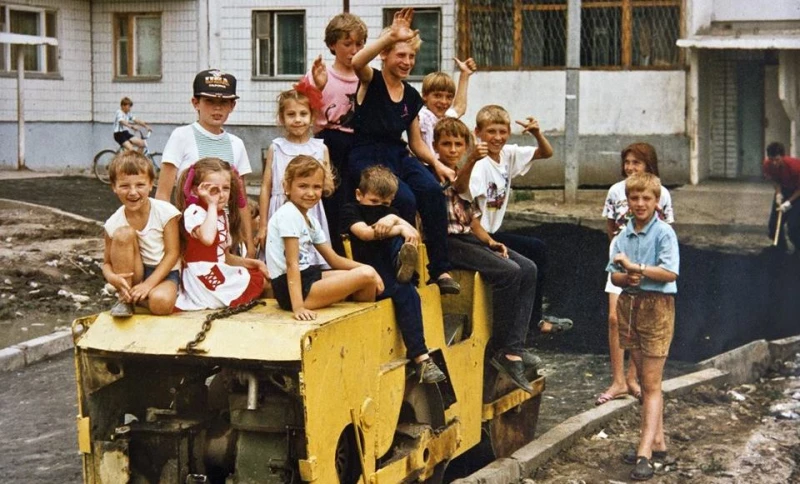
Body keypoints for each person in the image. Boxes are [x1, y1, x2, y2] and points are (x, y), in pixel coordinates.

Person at [348, 7, 460, 295]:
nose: (407, 62)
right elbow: (357, 61)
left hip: (397, 153)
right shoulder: (371, 80)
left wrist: (437, 165)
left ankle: (440, 270)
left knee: (432, 191)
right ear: (385, 55)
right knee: (405, 199)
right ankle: (405, 268)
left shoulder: (411, 95)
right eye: (401, 55)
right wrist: (390, 37)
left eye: (411, 56)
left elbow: (416, 142)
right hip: (367, 154)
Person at [433, 117, 540, 393]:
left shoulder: (462, 169)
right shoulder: (431, 172)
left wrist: (491, 242)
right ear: (435, 146)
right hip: (446, 242)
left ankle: (514, 349)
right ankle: (500, 347)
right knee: (509, 272)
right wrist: (470, 160)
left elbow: (472, 219)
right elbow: (457, 188)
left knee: (528, 268)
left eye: (458, 144)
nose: (453, 149)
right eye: (446, 144)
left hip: (467, 236)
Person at [465, 104, 572, 336]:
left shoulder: (507, 154)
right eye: (491, 131)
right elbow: (467, 209)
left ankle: (533, 319)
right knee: (521, 265)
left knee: (537, 250)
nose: (497, 137)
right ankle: (512, 330)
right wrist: (487, 241)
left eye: (502, 132)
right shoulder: (479, 166)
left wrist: (537, 133)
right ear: (478, 132)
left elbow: (546, 153)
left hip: (493, 232)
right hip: (479, 235)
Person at [341, 165, 446, 383]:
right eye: (374, 202)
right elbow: (365, 233)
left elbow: (414, 234)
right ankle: (420, 356)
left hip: (392, 273)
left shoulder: (391, 214)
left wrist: (392, 219)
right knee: (399, 246)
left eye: (385, 204)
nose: (379, 208)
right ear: (359, 195)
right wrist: (397, 226)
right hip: (368, 271)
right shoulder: (351, 210)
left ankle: (422, 358)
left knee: (409, 293)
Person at [607, 172, 679, 481]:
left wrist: (636, 268)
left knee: (650, 383)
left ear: (656, 201)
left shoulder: (664, 233)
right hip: (630, 306)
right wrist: (627, 277)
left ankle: (644, 453)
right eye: (634, 198)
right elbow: (613, 275)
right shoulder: (622, 236)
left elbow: (670, 273)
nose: (640, 203)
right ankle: (657, 442)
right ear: (627, 201)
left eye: (646, 198)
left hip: (656, 308)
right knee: (646, 382)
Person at [597, 142, 674, 406]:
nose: (630, 167)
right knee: (615, 318)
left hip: (647, 267)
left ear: (648, 165)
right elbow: (610, 226)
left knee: (638, 320)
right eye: (627, 162)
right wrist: (620, 255)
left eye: (636, 162)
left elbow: (666, 230)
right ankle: (618, 380)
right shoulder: (615, 191)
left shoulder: (661, 193)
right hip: (621, 262)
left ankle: (632, 379)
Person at [266, 155, 384, 321]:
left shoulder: (310, 220)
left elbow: (334, 259)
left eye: (316, 187)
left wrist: (371, 269)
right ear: (287, 186)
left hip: (307, 276)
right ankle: (365, 323)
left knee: (367, 276)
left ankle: (362, 322)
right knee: (366, 275)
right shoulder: (288, 214)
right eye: (303, 186)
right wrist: (298, 307)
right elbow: (292, 264)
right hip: (291, 288)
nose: (310, 193)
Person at [156, 69, 256, 258]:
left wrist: (248, 242)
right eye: (210, 101)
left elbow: (241, 199)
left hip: (225, 235)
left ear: (232, 105)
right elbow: (162, 195)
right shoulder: (181, 136)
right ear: (196, 103)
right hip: (191, 231)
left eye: (223, 102)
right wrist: (167, 238)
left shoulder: (236, 144)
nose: (217, 108)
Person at [306, 12, 368, 255]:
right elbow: (302, 111)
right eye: (347, 44)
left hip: (359, 142)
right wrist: (317, 88)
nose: (354, 50)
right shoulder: (321, 74)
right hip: (329, 142)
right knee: (332, 199)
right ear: (333, 45)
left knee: (359, 197)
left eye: (359, 44)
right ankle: (333, 254)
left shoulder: (367, 76)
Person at [175, 157, 267, 311]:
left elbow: (225, 257)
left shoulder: (221, 214)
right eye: (213, 189)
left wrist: (254, 263)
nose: (221, 195)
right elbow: (208, 238)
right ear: (196, 190)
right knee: (257, 284)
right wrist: (211, 204)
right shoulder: (194, 212)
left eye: (225, 188)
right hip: (201, 276)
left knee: (262, 277)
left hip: (219, 267)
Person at [258, 85, 331, 268]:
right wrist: (263, 225)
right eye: (291, 114)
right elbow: (266, 187)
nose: (298, 120)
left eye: (303, 114)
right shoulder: (276, 148)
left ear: (312, 117)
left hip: (310, 211)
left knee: (309, 263)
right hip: (280, 209)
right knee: (280, 262)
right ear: (282, 118)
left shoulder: (320, 148)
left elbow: (327, 185)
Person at [101, 151, 180, 318]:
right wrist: (112, 278)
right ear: (114, 187)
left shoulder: (165, 212)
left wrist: (148, 285)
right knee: (123, 233)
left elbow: (173, 253)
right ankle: (126, 298)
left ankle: (138, 297)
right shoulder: (113, 222)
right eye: (124, 186)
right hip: (134, 273)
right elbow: (106, 263)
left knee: (161, 304)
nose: (133, 192)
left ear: (151, 184)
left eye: (140, 185)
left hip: (165, 273)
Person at [418, 58, 476, 155]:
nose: (443, 101)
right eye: (437, 96)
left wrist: (464, 74)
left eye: (449, 97)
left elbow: (459, 108)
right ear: (424, 96)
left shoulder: (443, 118)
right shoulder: (421, 116)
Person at [763, 141, 800, 252]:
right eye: (771, 159)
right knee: (774, 225)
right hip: (784, 190)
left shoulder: (795, 166)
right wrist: (778, 193)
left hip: (797, 193)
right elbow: (775, 180)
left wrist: (789, 203)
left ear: (783, 157)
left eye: (777, 159)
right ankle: (781, 249)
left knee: (793, 227)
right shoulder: (767, 164)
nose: (774, 163)